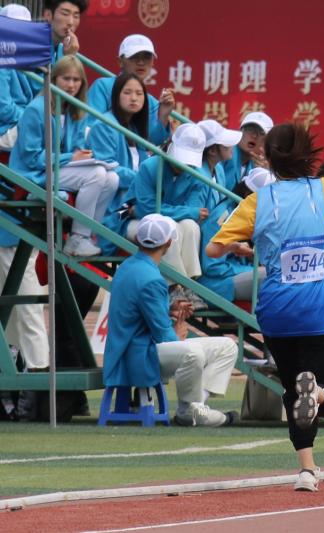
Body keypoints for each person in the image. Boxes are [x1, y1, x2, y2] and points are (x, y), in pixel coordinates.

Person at [206, 123, 324, 492]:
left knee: (292, 392)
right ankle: (318, 394)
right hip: (320, 314)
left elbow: (213, 249)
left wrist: (239, 245)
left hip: (277, 314)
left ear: (268, 159)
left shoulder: (256, 202)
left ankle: (307, 469)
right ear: (308, 155)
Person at [104, 214, 238, 427]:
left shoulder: (129, 266)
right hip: (138, 354)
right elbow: (164, 336)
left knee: (227, 347)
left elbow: (138, 307)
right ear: (168, 243)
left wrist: (168, 308)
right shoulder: (151, 278)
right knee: (193, 353)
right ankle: (191, 409)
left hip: (134, 349)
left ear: (138, 240)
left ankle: (193, 406)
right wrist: (177, 332)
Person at [10, 56, 119, 256]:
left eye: (76, 80)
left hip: (59, 169)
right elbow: (31, 158)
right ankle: (77, 238)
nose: (71, 85)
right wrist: (71, 157)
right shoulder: (36, 109)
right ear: (53, 80)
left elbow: (75, 148)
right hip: (34, 173)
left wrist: (83, 156)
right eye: (66, 79)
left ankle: (89, 235)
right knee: (96, 174)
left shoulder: (75, 109)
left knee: (112, 178)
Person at [131, 123, 208, 301]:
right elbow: (147, 208)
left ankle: (190, 284)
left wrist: (189, 212)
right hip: (133, 218)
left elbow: (192, 212)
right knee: (169, 226)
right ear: (171, 146)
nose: (185, 163)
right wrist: (189, 212)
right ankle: (174, 287)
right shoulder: (150, 166)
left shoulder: (197, 175)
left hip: (168, 221)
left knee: (191, 226)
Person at [88, 72, 150, 255]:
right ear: (116, 95)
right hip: (116, 209)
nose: (134, 98)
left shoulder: (135, 129)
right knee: (160, 233)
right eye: (127, 92)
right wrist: (144, 180)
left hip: (134, 203)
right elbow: (108, 167)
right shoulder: (104, 125)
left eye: (139, 93)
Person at [197, 168, 271, 302]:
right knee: (274, 275)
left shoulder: (246, 214)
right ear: (248, 194)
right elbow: (213, 267)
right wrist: (252, 268)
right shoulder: (223, 217)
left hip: (230, 277)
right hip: (215, 284)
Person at [87, 34, 174, 146]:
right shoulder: (102, 86)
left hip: (135, 156)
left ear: (153, 62)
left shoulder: (152, 102)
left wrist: (163, 117)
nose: (141, 62)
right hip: (106, 151)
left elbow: (152, 142)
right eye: (134, 56)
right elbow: (90, 127)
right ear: (120, 61)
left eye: (146, 57)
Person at [0, 5, 38, 151]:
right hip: (5, 128)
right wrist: (32, 117)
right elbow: (4, 109)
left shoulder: (24, 56)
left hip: (20, 122)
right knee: (51, 130)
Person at [197, 119, 243, 209]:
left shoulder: (219, 168)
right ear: (212, 151)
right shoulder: (199, 177)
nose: (232, 146)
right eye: (226, 143)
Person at [221, 112, 273, 190]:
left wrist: (265, 174)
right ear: (240, 131)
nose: (254, 135)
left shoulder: (259, 167)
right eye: (250, 129)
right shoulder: (225, 153)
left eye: (261, 133)